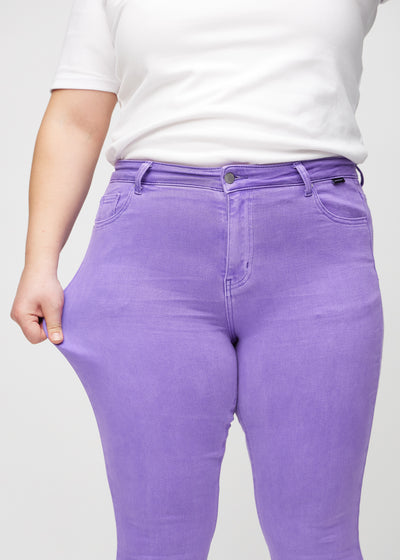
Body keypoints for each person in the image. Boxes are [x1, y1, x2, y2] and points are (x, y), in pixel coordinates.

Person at [10, 0, 390, 558]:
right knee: (157, 542)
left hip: (315, 249)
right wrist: (39, 261)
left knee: (318, 540)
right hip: (150, 252)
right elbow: (76, 117)